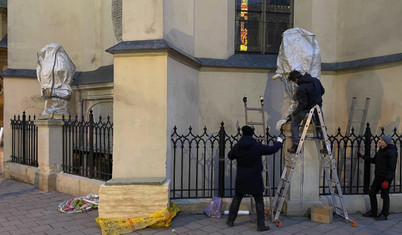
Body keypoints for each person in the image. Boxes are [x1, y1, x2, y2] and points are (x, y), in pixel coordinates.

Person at [226, 126, 283, 232]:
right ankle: (260, 225)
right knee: (259, 200)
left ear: (243, 133)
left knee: (237, 198)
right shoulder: (256, 146)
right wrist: (279, 142)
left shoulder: (238, 146)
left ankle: (230, 220)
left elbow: (230, 156)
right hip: (255, 177)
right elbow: (272, 150)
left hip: (241, 177)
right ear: (252, 134)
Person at [359, 135, 398, 220]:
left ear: (386, 142)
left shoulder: (391, 152)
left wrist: (387, 181)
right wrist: (363, 157)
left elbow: (392, 168)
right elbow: (374, 160)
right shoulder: (381, 150)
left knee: (384, 195)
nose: (379, 141)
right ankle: (373, 212)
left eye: (381, 140)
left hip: (385, 178)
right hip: (378, 177)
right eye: (380, 139)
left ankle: (384, 214)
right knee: (372, 193)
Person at [286, 70, 325, 153]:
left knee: (295, 123)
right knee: (321, 125)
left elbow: (302, 104)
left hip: (308, 108)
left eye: (293, 81)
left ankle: (295, 145)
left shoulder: (301, 88)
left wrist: (294, 113)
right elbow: (323, 91)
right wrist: (316, 99)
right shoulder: (315, 80)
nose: (294, 83)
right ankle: (325, 145)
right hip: (318, 106)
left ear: (296, 78)